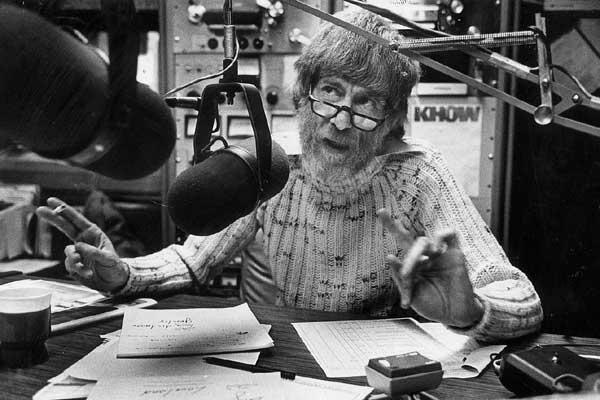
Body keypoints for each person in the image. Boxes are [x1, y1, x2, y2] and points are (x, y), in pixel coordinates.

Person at [37, 9, 543, 342]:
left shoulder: (419, 177)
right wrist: (124, 273)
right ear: (302, 97)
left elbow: (521, 299)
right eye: (331, 93)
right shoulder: (271, 167)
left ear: (390, 122)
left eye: (366, 105)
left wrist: (470, 311)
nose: (342, 120)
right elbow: (193, 261)